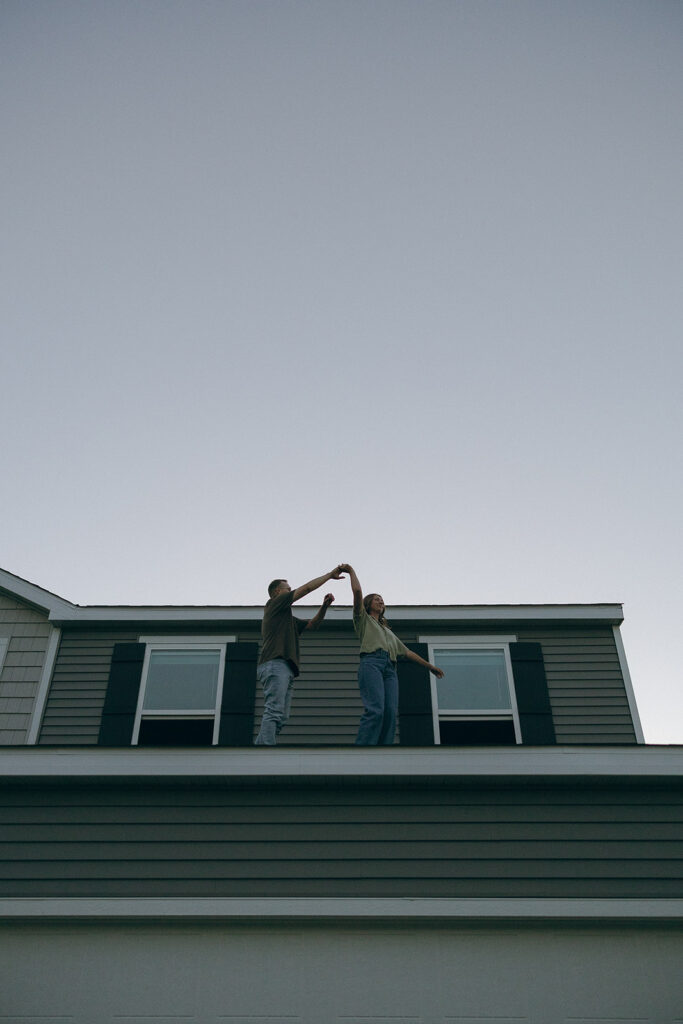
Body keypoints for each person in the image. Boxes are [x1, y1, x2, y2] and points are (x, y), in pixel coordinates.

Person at [342, 564, 444, 745]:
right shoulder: (363, 620)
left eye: (382, 600)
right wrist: (351, 571)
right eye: (376, 599)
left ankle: (384, 751)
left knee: (390, 711)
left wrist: (430, 667)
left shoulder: (388, 632)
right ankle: (364, 750)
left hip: (390, 668)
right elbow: (357, 592)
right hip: (371, 663)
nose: (381, 602)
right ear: (368, 604)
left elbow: (408, 652)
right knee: (376, 710)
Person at [255, 565, 346, 745]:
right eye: (287, 589)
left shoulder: (286, 618)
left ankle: (262, 746)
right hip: (275, 663)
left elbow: (313, 625)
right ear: (276, 592)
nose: (290, 591)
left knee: (281, 717)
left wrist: (325, 606)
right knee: (274, 711)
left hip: (285, 668)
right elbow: (305, 589)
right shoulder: (273, 604)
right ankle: (264, 752)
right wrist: (329, 575)